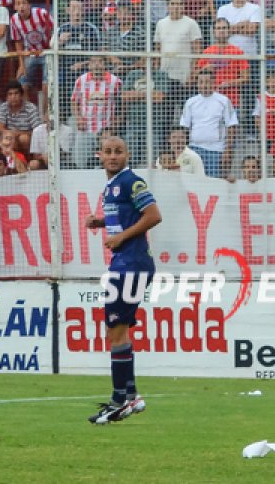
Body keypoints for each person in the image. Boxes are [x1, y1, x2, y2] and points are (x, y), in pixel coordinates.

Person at [85, 135, 162, 425]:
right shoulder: (112, 186)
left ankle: (119, 401)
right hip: (127, 262)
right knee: (120, 331)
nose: (114, 156)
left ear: (128, 155)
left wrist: (120, 237)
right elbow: (128, 218)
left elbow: (153, 215)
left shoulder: (132, 181)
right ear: (99, 156)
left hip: (131, 263)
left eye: (119, 151)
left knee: (115, 331)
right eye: (108, 151)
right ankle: (131, 397)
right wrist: (101, 223)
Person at [179, 71, 238, 177]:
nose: (204, 85)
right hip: (195, 149)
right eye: (200, 82)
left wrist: (228, 150)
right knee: (195, 182)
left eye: (207, 82)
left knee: (213, 183)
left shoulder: (224, 101)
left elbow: (231, 126)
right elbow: (184, 128)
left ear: (213, 83)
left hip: (216, 150)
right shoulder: (190, 102)